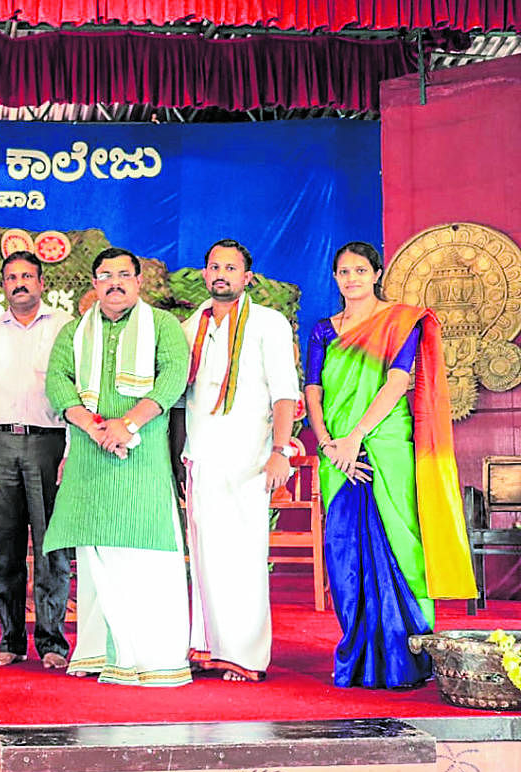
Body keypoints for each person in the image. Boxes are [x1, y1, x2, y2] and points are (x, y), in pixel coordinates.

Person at [304, 241, 476, 689]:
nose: (352, 279)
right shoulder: (324, 330)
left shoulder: (401, 321)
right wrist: (327, 444)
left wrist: (356, 437)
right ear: (335, 278)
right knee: (345, 550)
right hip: (336, 450)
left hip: (383, 441)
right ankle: (359, 654)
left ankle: (409, 655)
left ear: (376, 274)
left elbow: (398, 380)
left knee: (401, 541)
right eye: (343, 271)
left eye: (361, 270)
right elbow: (313, 391)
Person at [43, 247, 191, 687]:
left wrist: (126, 425)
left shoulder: (163, 326)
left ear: (139, 281)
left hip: (142, 455)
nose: (115, 283)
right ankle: (95, 652)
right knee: (94, 554)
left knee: (143, 550)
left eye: (124, 274)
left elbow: (173, 377)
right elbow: (57, 381)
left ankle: (150, 657)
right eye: (105, 275)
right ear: (93, 284)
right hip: (91, 454)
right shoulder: (74, 332)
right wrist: (94, 427)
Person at [181, 239, 299, 683]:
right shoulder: (191, 326)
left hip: (251, 458)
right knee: (206, 554)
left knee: (246, 555)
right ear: (205, 273)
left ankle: (247, 656)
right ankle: (209, 649)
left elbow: (284, 392)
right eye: (214, 266)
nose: (221, 275)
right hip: (202, 456)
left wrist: (280, 452)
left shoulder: (268, 323)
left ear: (247, 277)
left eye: (231, 268)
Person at [0, 250, 74, 669]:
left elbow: (78, 391)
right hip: (1, 444)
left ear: (42, 282)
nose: (20, 283)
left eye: (28, 276)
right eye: (12, 278)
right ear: (4, 286)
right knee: (4, 550)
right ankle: (10, 640)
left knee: (52, 548)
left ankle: (52, 644)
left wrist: (70, 452)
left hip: (50, 444)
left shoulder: (64, 328)